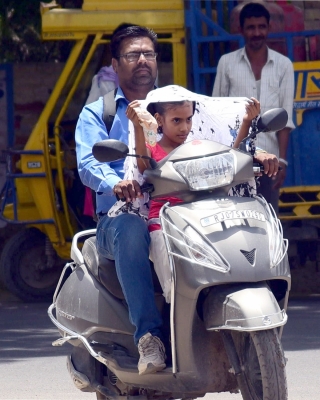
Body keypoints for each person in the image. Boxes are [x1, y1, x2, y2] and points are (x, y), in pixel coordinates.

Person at [75, 25, 166, 376]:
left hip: (172, 208)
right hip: (118, 218)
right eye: (132, 55)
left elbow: (207, 141)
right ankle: (148, 337)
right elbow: (87, 164)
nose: (142, 61)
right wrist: (116, 183)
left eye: (148, 54)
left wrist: (255, 153)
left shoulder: (176, 104)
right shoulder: (98, 113)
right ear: (115, 64)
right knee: (130, 227)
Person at [125, 88, 269, 303]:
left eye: (189, 119)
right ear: (159, 120)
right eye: (177, 120)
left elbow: (232, 158)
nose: (185, 127)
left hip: (201, 224)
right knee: (177, 291)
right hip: (164, 227)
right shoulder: (152, 149)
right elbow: (143, 164)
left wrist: (247, 122)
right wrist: (139, 126)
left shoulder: (196, 148)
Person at [212, 2, 295, 213]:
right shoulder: (226, 63)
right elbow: (215, 114)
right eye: (251, 27)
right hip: (234, 159)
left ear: (268, 28)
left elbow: (285, 118)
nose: (257, 32)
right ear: (241, 30)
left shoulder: (284, 65)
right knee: (234, 218)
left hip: (269, 162)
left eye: (261, 27)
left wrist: (282, 160)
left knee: (268, 221)